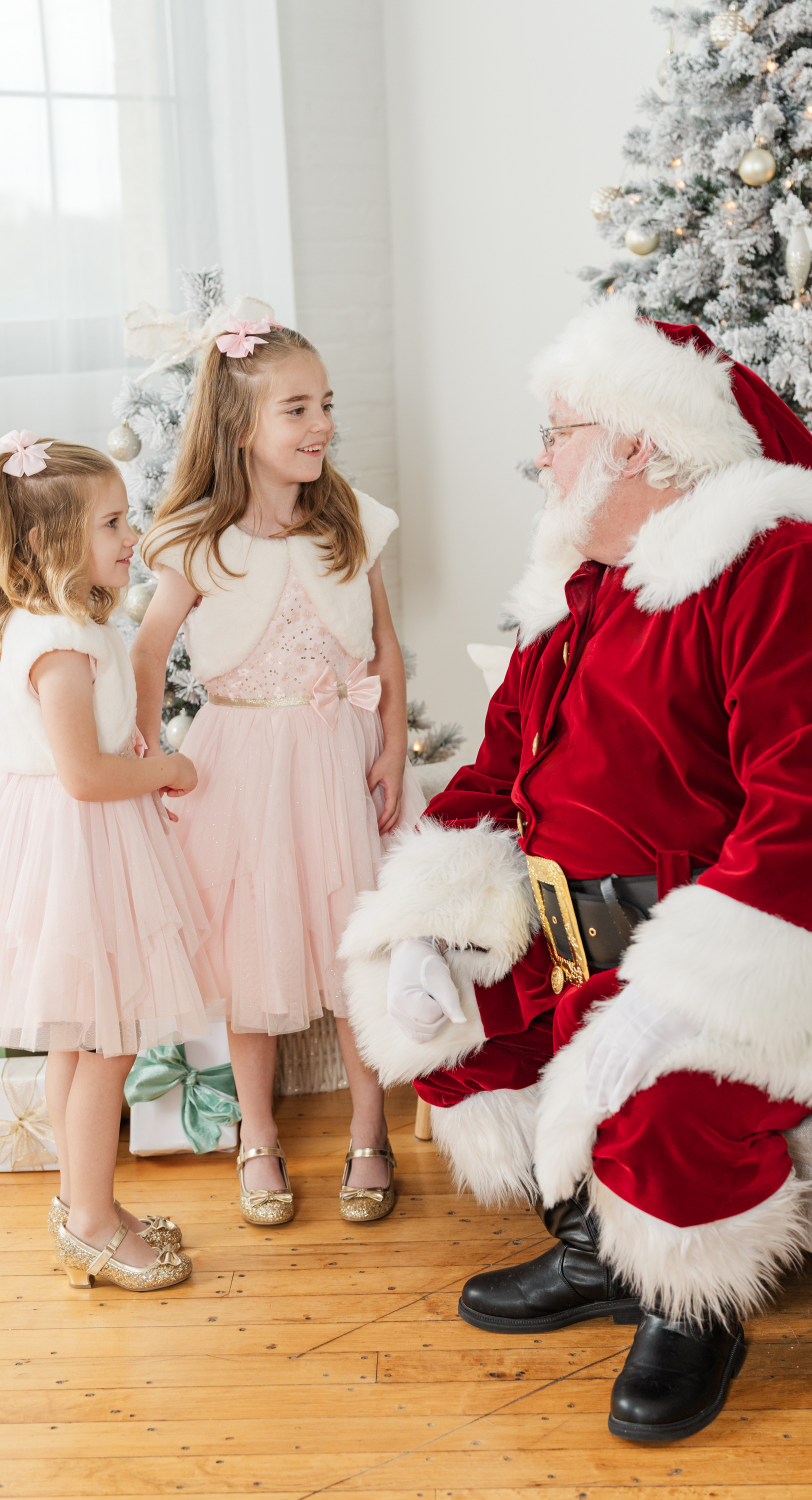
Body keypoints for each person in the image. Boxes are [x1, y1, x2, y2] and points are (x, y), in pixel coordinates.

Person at [342, 301, 812, 1444]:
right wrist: (423, 924)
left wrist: (677, 990)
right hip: (572, 929)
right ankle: (594, 1245)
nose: (541, 458)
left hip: (719, 948)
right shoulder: (580, 581)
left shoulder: (772, 569)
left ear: (638, 443)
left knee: (660, 1079)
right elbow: (497, 768)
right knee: (448, 1006)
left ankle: (685, 1300)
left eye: (558, 431)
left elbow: (798, 810)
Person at [130, 319, 427, 1226]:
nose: (321, 423)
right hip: (241, 765)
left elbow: (383, 643)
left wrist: (387, 743)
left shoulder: (350, 521)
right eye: (297, 408)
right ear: (238, 427)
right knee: (251, 955)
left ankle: (369, 1131)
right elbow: (146, 656)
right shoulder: (197, 542)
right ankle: (256, 1132)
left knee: (355, 951)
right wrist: (152, 757)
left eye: (325, 404)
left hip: (338, 756)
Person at [0, 431, 217, 1293]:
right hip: (73, 849)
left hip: (83, 843)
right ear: (46, 544)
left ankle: (82, 1201)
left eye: (126, 515)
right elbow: (87, 777)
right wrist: (166, 766)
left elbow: (95, 746)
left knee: (83, 1043)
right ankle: (92, 1219)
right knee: (104, 1045)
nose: (129, 536)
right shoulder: (57, 641)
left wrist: (128, 735)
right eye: (110, 522)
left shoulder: (75, 624)